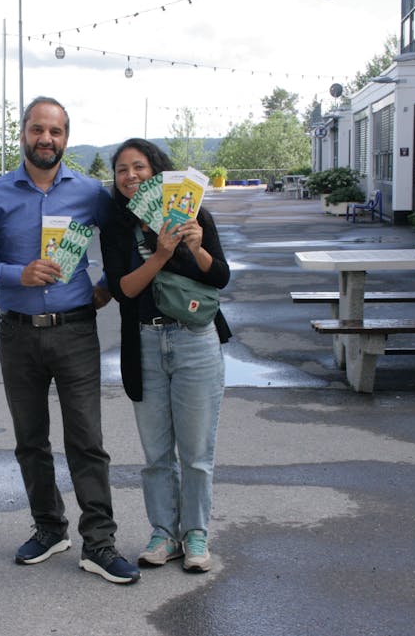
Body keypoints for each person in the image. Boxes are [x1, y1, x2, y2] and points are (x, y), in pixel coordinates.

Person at [0, 96, 139, 585]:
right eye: (37, 129)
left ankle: (99, 542)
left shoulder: (89, 193)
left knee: (87, 440)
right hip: (17, 334)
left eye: (55, 131)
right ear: (23, 132)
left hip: (75, 331)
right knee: (30, 440)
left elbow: (124, 240)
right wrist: (15, 273)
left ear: (66, 137)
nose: (46, 139)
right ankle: (49, 528)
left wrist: (106, 285)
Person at [99, 138, 231, 573]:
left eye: (139, 167)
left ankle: (195, 534)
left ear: (157, 172)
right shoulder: (117, 227)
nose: (130, 176)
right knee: (156, 453)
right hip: (146, 342)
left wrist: (196, 246)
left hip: (195, 339)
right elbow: (123, 290)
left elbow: (220, 277)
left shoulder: (194, 215)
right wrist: (160, 254)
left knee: (195, 452)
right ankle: (163, 533)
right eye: (122, 170)